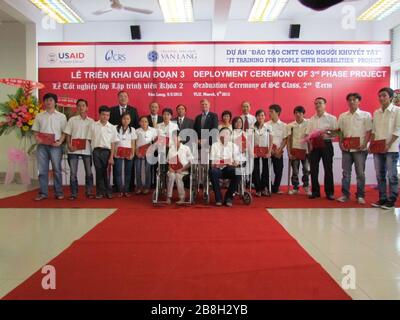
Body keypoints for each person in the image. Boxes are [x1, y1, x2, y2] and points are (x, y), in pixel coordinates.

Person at [337, 93, 372, 205]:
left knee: (360, 173)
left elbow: (369, 131)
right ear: (347, 102)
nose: (352, 102)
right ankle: (345, 195)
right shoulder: (342, 116)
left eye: (354, 100)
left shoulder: (366, 115)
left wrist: (365, 144)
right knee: (346, 173)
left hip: (360, 149)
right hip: (346, 149)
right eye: (350, 100)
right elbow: (340, 131)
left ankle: (360, 195)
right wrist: (340, 143)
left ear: (359, 101)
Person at [32, 93, 67, 201]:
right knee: (42, 170)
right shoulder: (39, 116)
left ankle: (59, 192)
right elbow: (36, 131)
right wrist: (37, 138)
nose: (48, 102)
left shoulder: (61, 116)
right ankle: (43, 193)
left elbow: (65, 132)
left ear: (55, 102)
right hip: (42, 146)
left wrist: (60, 141)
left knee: (57, 170)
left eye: (51, 100)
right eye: (46, 100)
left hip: (55, 145)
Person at [370, 87, 400, 210]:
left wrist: (388, 144)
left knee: (392, 175)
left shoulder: (397, 111)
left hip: (391, 148)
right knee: (380, 174)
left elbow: (398, 129)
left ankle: (391, 199)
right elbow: (374, 130)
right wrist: (371, 144)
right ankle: (382, 198)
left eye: (384, 96)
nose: (381, 98)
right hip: (378, 148)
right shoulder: (376, 112)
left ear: (391, 97)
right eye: (380, 96)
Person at [306, 97, 338, 200]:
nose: (317, 105)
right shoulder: (311, 119)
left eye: (320, 103)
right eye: (316, 103)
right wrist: (310, 145)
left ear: (325, 104)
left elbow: (337, 132)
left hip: (326, 145)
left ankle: (329, 192)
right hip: (314, 146)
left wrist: (326, 134)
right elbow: (308, 134)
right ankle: (315, 192)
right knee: (314, 169)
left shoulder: (331, 118)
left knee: (328, 169)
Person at [64, 99, 95, 200]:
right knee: (73, 173)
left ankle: (89, 192)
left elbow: (93, 136)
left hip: (87, 150)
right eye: (79, 106)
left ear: (87, 108)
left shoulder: (91, 121)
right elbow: (68, 134)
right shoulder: (72, 120)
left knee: (89, 172)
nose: (81, 107)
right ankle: (74, 193)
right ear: (76, 107)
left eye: (83, 105)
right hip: (73, 150)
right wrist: (69, 145)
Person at [87, 106, 119, 199]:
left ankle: (108, 191)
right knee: (98, 171)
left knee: (106, 172)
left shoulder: (112, 127)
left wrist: (111, 156)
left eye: (107, 115)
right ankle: (100, 192)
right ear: (99, 115)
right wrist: (95, 148)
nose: (105, 117)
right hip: (96, 151)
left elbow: (113, 143)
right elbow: (89, 139)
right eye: (103, 115)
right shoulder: (93, 125)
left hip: (107, 152)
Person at [209, 127, 241, 207]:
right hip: (217, 169)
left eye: (227, 134)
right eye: (223, 134)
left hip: (229, 169)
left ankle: (229, 197)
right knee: (212, 172)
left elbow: (237, 162)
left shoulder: (234, 146)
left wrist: (231, 163)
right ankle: (218, 198)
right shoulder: (214, 145)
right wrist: (225, 161)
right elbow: (212, 163)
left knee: (238, 172)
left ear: (230, 136)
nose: (225, 136)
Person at [287, 106, 311, 196]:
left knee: (306, 169)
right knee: (295, 171)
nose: (298, 115)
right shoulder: (290, 125)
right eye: (296, 113)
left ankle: (306, 186)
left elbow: (311, 137)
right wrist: (289, 152)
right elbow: (288, 140)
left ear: (303, 114)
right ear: (294, 114)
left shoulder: (309, 123)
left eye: (300, 113)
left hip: (305, 151)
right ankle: (295, 188)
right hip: (295, 151)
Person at [114, 113, 137, 198]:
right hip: (118, 152)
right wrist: (114, 152)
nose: (125, 120)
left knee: (128, 172)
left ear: (130, 120)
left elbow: (133, 143)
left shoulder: (133, 129)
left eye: (127, 119)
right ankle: (120, 190)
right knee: (118, 172)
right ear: (121, 119)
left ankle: (126, 190)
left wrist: (133, 153)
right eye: (124, 119)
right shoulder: (116, 128)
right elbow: (114, 141)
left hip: (128, 152)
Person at [167, 133, 194, 205]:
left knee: (178, 177)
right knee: (172, 176)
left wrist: (182, 169)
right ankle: (168, 197)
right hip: (173, 169)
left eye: (176, 140)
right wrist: (170, 168)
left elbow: (190, 162)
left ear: (180, 141)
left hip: (183, 170)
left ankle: (182, 198)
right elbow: (169, 161)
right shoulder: (171, 149)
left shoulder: (186, 148)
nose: (174, 142)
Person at [267, 104, 288, 194]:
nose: (269, 113)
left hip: (279, 151)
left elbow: (285, 139)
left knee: (278, 170)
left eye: (272, 112)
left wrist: (280, 149)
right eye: (269, 111)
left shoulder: (284, 125)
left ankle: (276, 188)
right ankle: (268, 187)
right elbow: (265, 139)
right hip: (268, 151)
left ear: (278, 113)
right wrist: (270, 150)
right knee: (266, 170)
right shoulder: (266, 124)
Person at [252, 109, 273, 197]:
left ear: (265, 117)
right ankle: (258, 189)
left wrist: (269, 152)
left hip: (265, 150)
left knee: (266, 169)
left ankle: (264, 187)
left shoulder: (268, 127)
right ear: (256, 117)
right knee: (256, 169)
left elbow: (271, 141)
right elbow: (250, 140)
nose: (260, 117)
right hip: (255, 150)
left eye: (262, 115)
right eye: (259, 115)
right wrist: (252, 152)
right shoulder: (252, 127)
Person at [135, 116, 157, 195]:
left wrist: (151, 151)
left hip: (149, 153)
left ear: (148, 122)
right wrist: (136, 152)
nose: (144, 123)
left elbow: (155, 142)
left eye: (146, 121)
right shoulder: (136, 131)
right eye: (142, 121)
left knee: (148, 171)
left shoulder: (153, 130)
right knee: (138, 170)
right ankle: (139, 186)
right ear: (139, 123)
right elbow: (134, 143)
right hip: (138, 153)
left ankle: (147, 187)